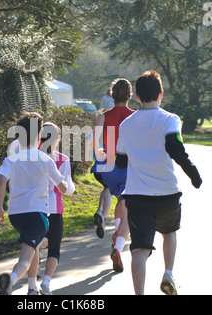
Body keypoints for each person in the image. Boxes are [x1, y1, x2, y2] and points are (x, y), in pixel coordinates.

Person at [116, 70, 202, 295]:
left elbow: (121, 163)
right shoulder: (170, 119)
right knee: (169, 232)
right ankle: (168, 274)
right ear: (161, 93)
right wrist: (193, 174)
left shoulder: (126, 125)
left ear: (137, 97)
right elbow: (176, 149)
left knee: (139, 250)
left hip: (137, 196)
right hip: (167, 193)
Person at [0, 113, 67, 295]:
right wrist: (65, 184)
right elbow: (63, 188)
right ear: (38, 136)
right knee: (25, 259)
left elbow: (1, 182)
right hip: (37, 215)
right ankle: (10, 281)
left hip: (15, 215)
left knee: (33, 244)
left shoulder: (11, 159)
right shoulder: (45, 159)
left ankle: (32, 287)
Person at [94, 78, 135, 273]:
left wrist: (98, 151)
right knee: (126, 205)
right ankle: (119, 240)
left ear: (112, 94)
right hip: (128, 166)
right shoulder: (134, 116)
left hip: (108, 166)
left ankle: (117, 233)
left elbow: (94, 140)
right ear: (130, 95)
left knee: (119, 199)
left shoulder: (103, 116)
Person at [33, 122, 75, 295]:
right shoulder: (62, 159)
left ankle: (40, 244)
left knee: (34, 243)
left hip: (35, 206)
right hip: (55, 208)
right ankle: (46, 283)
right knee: (55, 249)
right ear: (57, 139)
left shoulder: (32, 157)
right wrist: (70, 188)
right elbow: (68, 188)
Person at [83, 132, 112, 239]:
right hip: (108, 169)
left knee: (106, 188)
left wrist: (86, 160)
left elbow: (87, 139)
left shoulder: (93, 134)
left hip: (97, 171)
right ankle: (103, 218)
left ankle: (99, 210)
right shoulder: (110, 132)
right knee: (109, 191)